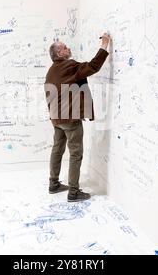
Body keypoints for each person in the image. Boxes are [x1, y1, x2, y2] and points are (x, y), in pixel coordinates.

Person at [44, 33, 111, 202]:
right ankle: (73, 192)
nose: (68, 48)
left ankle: (54, 184)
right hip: (69, 120)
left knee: (57, 150)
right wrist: (104, 45)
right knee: (76, 153)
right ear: (60, 54)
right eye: (65, 47)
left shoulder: (51, 70)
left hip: (56, 119)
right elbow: (93, 66)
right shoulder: (69, 66)